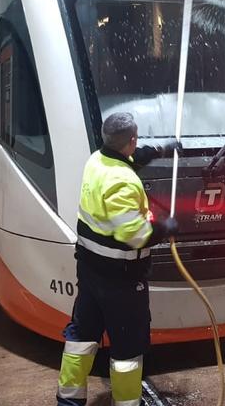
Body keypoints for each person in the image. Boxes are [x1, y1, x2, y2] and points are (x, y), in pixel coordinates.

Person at [56, 112, 180, 406]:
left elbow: (130, 158)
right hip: (121, 280)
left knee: (82, 337)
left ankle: (68, 400)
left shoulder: (97, 161)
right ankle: (127, 403)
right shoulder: (123, 182)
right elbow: (135, 235)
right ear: (132, 140)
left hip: (90, 271)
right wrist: (166, 227)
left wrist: (161, 149)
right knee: (126, 351)